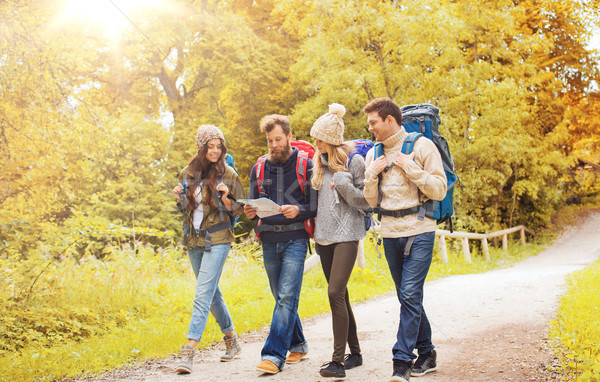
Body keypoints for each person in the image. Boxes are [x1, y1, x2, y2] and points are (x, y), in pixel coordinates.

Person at [362, 98, 447, 382]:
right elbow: (371, 201)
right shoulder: (373, 154)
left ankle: (401, 361)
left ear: (389, 120)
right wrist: (370, 178)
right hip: (389, 233)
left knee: (410, 294)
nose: (370, 127)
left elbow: (439, 190)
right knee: (406, 296)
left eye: (373, 121)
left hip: (420, 229)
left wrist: (411, 169)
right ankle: (427, 352)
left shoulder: (422, 146)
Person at [244, 114, 318, 375]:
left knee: (286, 295)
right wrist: (250, 212)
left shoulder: (306, 164)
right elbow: (252, 204)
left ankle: (273, 355)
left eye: (278, 139)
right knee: (281, 296)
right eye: (269, 140)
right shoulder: (259, 168)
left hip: (296, 238)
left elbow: (315, 205)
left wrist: (298, 210)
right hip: (268, 239)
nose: (274, 144)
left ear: (289, 136)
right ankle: (298, 343)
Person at [171, 125, 245, 374]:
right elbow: (185, 211)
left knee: (202, 294)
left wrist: (225, 196)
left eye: (219, 147)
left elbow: (239, 210)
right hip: (194, 241)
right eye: (210, 147)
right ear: (201, 148)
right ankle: (232, 339)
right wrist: (179, 197)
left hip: (219, 239)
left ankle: (189, 350)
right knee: (212, 294)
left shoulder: (229, 173)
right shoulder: (187, 172)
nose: (215, 151)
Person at [309, 103, 370, 378]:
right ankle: (354, 353)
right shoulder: (318, 162)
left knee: (334, 293)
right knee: (341, 295)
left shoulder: (354, 161)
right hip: (324, 237)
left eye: (319, 138)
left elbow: (366, 202)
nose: (316, 143)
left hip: (347, 234)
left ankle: (337, 361)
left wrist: (344, 184)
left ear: (331, 139)